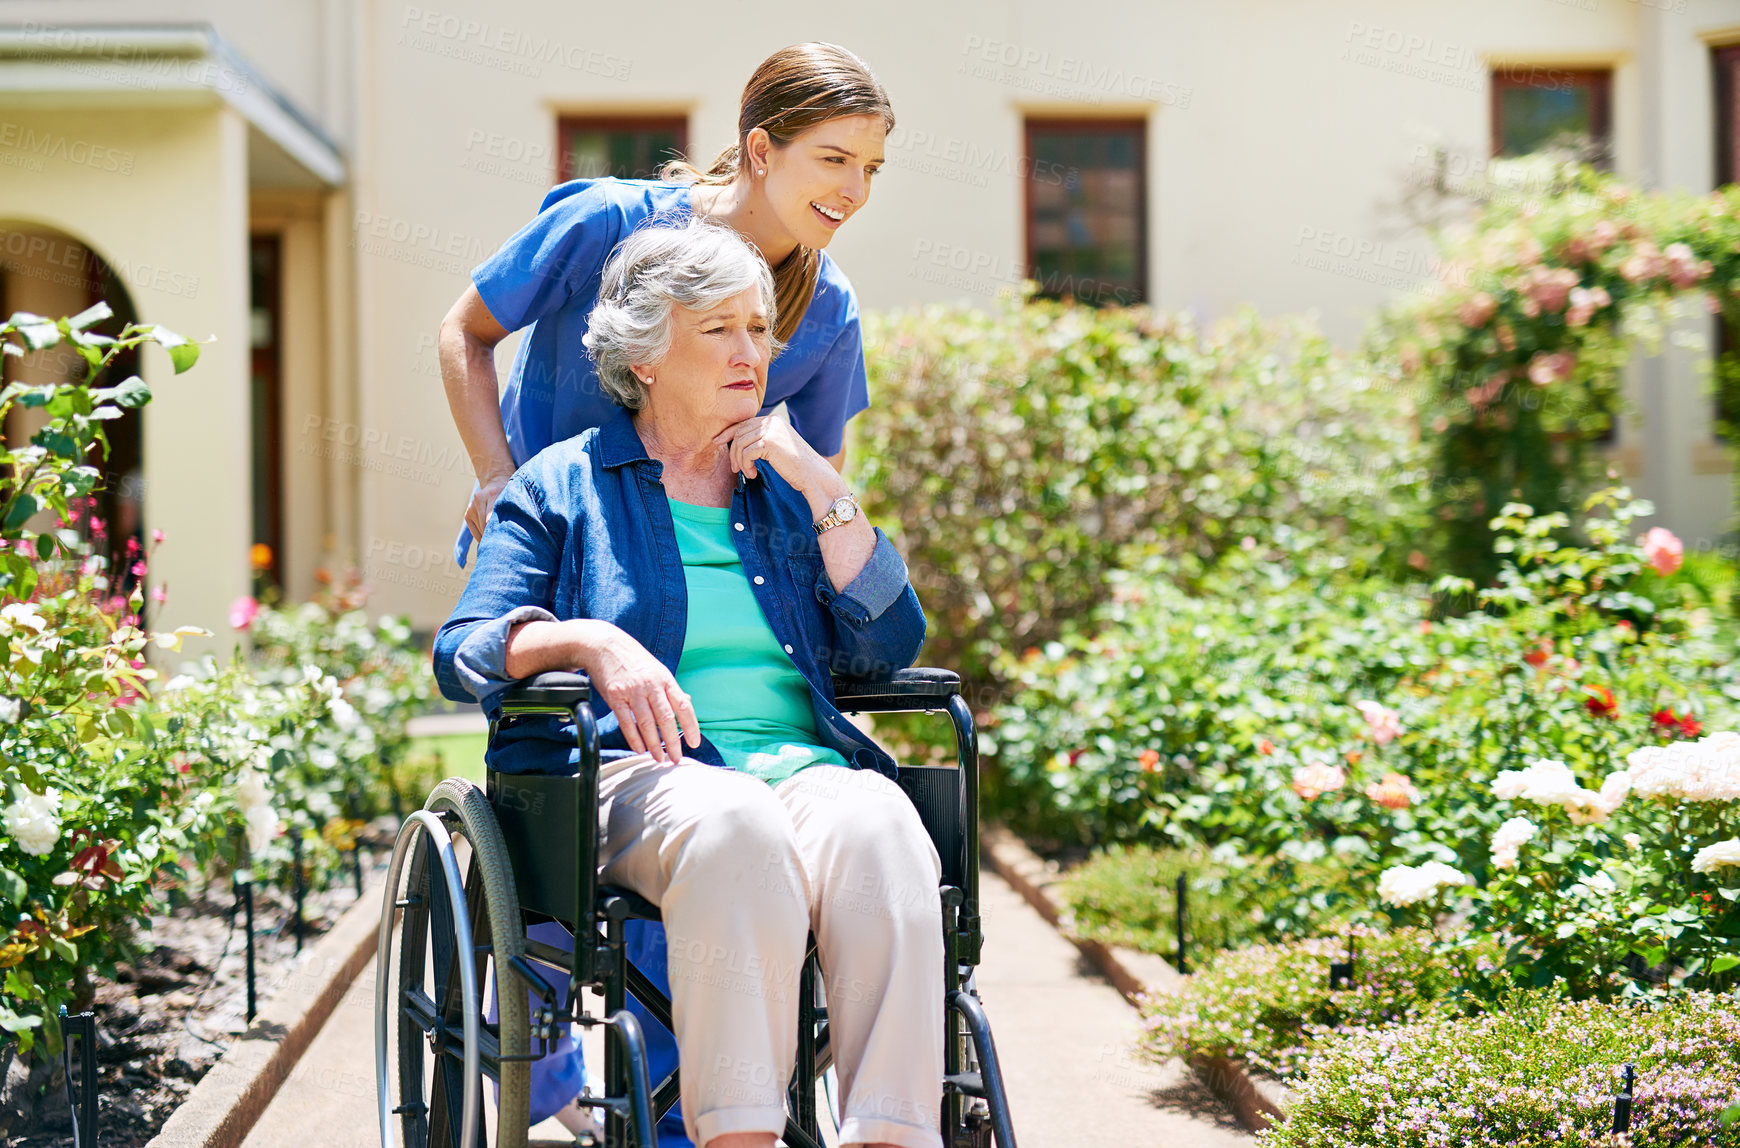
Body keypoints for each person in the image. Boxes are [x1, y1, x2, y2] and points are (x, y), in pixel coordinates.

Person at [438, 42, 894, 1141]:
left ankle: (688, 1107)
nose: (852, 191)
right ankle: (549, 1037)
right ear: (758, 147)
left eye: (874, 169)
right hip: (558, 557)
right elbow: (466, 331)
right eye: (833, 158)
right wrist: (500, 483)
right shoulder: (606, 224)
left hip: (694, 602)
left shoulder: (823, 312)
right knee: (565, 809)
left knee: (709, 807)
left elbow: (790, 508)